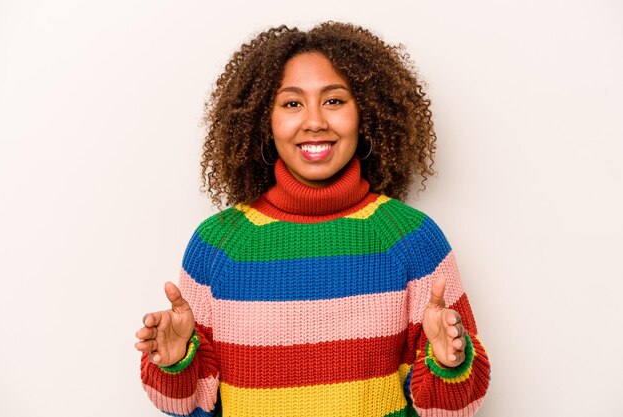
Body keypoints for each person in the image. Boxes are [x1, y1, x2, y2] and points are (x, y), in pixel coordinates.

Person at [135, 21, 491, 417]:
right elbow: (187, 407)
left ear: (365, 114)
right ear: (263, 122)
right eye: (292, 103)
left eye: (334, 101)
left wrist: (449, 365)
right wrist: (174, 363)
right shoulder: (218, 245)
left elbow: (460, 406)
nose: (315, 121)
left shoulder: (411, 239)